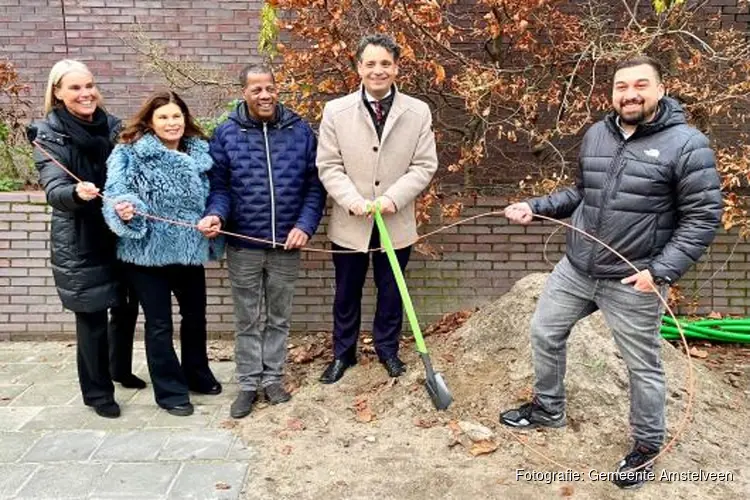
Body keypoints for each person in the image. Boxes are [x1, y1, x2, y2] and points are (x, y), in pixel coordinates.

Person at [500, 56, 722, 489]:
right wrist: (536, 208)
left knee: (642, 367)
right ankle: (548, 408)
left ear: (660, 90)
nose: (631, 94)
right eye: (622, 86)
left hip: (634, 278)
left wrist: (659, 272)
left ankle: (646, 446)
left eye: (641, 85)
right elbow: (583, 193)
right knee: (544, 333)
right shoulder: (598, 134)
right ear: (613, 93)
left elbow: (702, 217)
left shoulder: (688, 145)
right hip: (578, 267)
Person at [197, 64, 325, 419]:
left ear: (276, 89)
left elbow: (315, 187)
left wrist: (305, 225)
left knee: (279, 317)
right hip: (243, 246)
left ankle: (273, 379)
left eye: (269, 87)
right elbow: (219, 188)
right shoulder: (225, 134)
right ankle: (249, 383)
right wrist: (217, 217)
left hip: (287, 245)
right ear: (244, 92)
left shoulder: (300, 131)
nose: (265, 95)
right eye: (256, 89)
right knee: (248, 319)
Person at [316, 33, 438, 384]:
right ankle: (343, 353)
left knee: (391, 289)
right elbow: (328, 164)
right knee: (346, 290)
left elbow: (424, 165)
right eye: (370, 63)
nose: (378, 70)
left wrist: (392, 198)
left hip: (395, 219)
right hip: (350, 221)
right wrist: (351, 199)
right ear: (359, 67)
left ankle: (388, 350)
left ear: (396, 67)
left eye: (385, 63)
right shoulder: (336, 111)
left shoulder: (417, 111)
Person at [27, 59, 142, 419]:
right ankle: (97, 393)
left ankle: (119, 369)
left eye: (89, 85)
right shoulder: (48, 135)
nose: (85, 93)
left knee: (126, 307)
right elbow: (54, 189)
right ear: (58, 93)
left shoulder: (113, 127)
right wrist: (76, 193)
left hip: (119, 230)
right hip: (79, 237)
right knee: (92, 316)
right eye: (75, 88)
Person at [102, 90, 221, 417]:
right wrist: (127, 210)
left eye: (177, 116)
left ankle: (197, 374)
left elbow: (215, 195)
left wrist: (213, 218)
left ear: (186, 119)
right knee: (159, 324)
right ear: (151, 122)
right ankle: (170, 392)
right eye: (164, 117)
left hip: (188, 249)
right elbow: (115, 193)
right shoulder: (129, 152)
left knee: (196, 317)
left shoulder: (200, 152)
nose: (172, 123)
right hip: (146, 254)